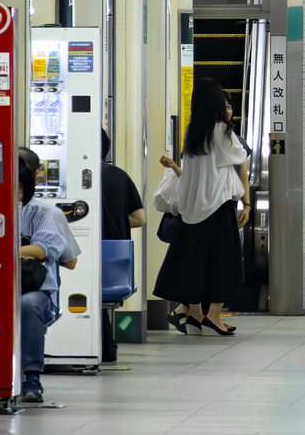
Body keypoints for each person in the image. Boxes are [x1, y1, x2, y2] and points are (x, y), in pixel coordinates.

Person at [153, 78, 250, 336]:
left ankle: (193, 312)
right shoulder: (222, 132)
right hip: (217, 207)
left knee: (196, 263)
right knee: (225, 264)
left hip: (193, 208)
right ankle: (214, 316)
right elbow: (241, 155)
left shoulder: (191, 130)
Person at [19, 159, 68, 403]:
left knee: (27, 306)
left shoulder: (44, 212)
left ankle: (31, 378)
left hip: (35, 288)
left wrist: (7, 251)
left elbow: (44, 250)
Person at [100, 130, 145, 362]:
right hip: (116, 261)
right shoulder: (120, 175)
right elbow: (140, 219)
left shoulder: (75, 175)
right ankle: (107, 346)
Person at [18, 148, 80, 272]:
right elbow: (70, 261)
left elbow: (42, 250)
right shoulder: (49, 212)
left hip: (31, 285)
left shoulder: (46, 213)